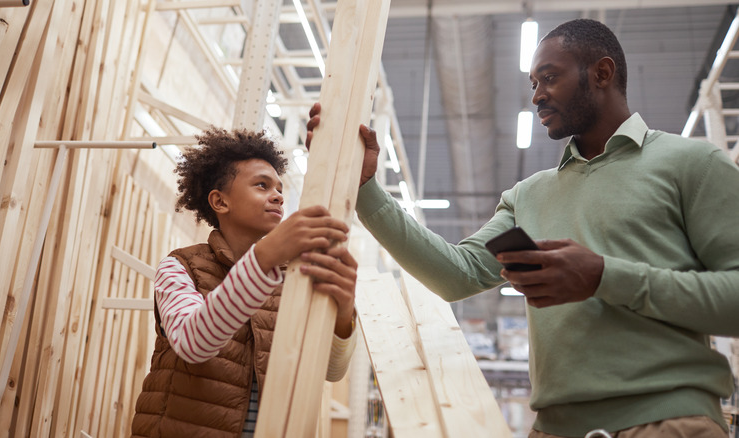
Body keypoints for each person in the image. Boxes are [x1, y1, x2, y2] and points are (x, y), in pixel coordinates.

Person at [309, 18, 739, 437]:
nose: (537, 96)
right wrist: (365, 187)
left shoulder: (692, 165)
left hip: (670, 424)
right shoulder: (527, 195)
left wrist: (605, 277)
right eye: (533, 83)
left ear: (602, 73)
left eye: (549, 78)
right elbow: (455, 274)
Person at [131, 128, 358, 438]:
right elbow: (193, 344)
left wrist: (344, 314)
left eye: (279, 188)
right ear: (220, 202)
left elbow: (331, 371)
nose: (278, 195)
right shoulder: (180, 267)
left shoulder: (291, 278)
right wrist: (263, 258)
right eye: (262, 185)